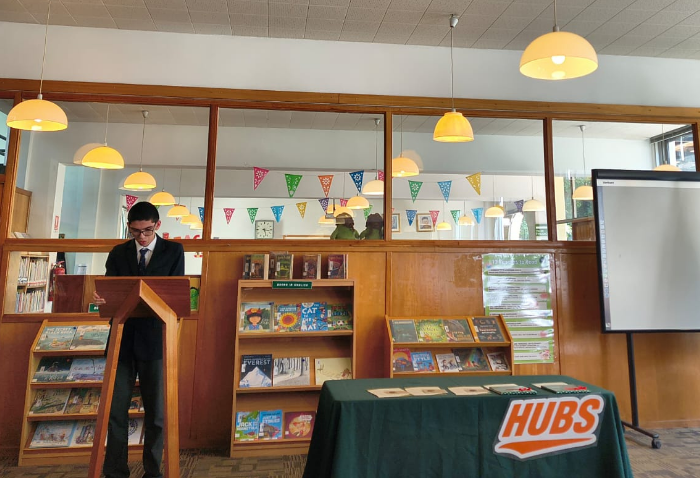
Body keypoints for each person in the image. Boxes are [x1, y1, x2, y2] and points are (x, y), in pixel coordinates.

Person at [97, 201, 185, 478]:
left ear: (157, 225)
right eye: (135, 232)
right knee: (115, 411)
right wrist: (102, 300)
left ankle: (153, 471)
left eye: (147, 230)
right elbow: (110, 292)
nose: (142, 237)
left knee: (157, 413)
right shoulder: (118, 253)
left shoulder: (174, 251)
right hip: (121, 339)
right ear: (129, 228)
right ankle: (115, 471)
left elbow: (174, 297)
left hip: (156, 340)